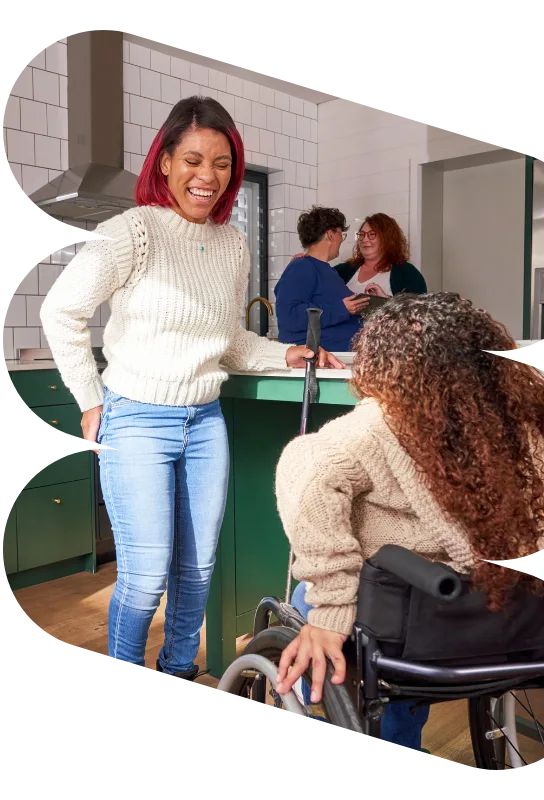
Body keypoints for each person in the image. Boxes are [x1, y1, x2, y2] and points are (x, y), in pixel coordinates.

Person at [40, 96, 344, 683]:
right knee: (147, 573)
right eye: (194, 160)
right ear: (164, 163)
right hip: (136, 419)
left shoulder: (231, 245)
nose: (208, 176)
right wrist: (89, 400)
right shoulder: (133, 231)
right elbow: (62, 312)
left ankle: (178, 670)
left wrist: (284, 351)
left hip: (203, 421)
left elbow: (226, 338)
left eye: (223, 163)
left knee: (198, 570)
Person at [273, 292, 544, 749]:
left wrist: (331, 611)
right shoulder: (518, 424)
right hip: (511, 624)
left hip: (413, 631)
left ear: (383, 362)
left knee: (318, 599)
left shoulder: (372, 428)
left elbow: (306, 470)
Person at [275, 206, 371, 352]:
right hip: (320, 360)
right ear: (330, 235)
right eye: (341, 234)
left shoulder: (328, 272)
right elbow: (289, 316)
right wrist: (341, 309)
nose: (341, 240)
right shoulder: (301, 266)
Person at [335, 213, 427, 298]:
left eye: (371, 234)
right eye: (362, 234)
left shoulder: (408, 274)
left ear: (387, 239)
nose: (364, 239)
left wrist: (385, 301)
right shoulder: (341, 271)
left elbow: (418, 312)